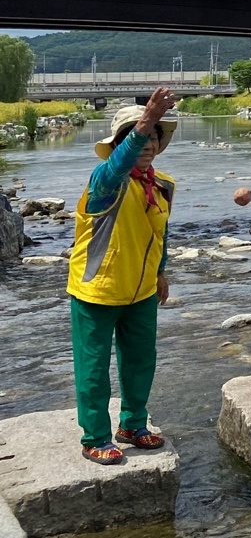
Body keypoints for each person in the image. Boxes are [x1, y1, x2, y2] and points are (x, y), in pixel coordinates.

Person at [68, 88, 178, 465]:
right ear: (118, 143)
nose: (147, 143)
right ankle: (94, 436)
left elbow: (160, 234)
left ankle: (133, 425)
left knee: (140, 362)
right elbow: (118, 165)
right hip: (97, 290)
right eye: (137, 137)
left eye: (153, 136)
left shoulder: (163, 185)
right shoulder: (104, 181)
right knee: (94, 369)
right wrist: (146, 119)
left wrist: (161, 272)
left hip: (141, 291)